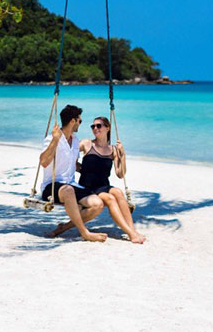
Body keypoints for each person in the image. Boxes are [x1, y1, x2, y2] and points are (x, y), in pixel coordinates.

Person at [51, 116, 146, 244]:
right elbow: (69, 154)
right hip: (88, 187)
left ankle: (132, 229)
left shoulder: (113, 150)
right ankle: (131, 234)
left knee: (118, 192)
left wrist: (123, 155)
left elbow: (120, 174)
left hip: (103, 185)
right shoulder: (86, 144)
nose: (95, 128)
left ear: (107, 128)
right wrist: (79, 168)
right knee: (111, 198)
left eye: (99, 126)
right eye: (93, 126)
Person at [39, 104, 107, 242]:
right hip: (51, 187)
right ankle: (85, 233)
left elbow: (74, 164)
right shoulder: (51, 139)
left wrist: (94, 170)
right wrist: (55, 140)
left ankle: (63, 228)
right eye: (79, 121)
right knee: (68, 190)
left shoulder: (76, 141)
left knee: (97, 204)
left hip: (71, 185)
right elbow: (44, 162)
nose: (80, 124)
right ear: (72, 121)